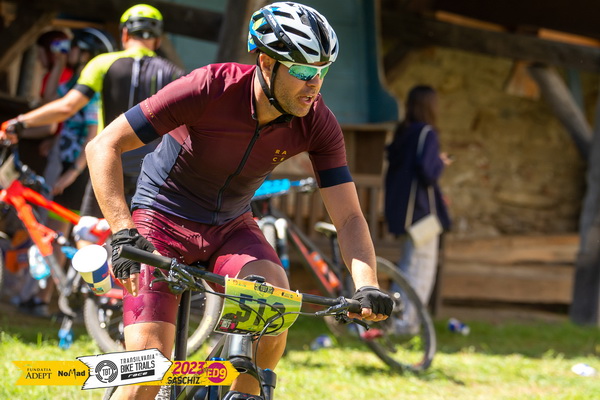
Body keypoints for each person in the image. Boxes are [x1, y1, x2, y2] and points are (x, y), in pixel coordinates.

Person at [83, 2, 393, 399]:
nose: (314, 84)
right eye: (302, 71)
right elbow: (104, 145)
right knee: (148, 369)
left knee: (274, 309)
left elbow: (348, 216)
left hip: (231, 227)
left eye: (322, 71)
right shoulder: (208, 87)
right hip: (161, 220)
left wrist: (366, 284)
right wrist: (123, 231)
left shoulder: (317, 122)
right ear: (266, 63)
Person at [1, 4, 185, 226]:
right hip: (152, 174)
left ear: (125, 33)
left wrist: (19, 123)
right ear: (157, 40)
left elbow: (67, 107)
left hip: (108, 165)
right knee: (140, 239)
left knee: (88, 233)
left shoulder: (103, 63)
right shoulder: (175, 74)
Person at [384, 85, 452, 310]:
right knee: (420, 272)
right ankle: (406, 323)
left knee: (407, 268)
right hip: (421, 215)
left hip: (402, 213)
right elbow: (427, 172)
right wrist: (440, 162)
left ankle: (395, 318)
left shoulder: (403, 133)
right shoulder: (427, 133)